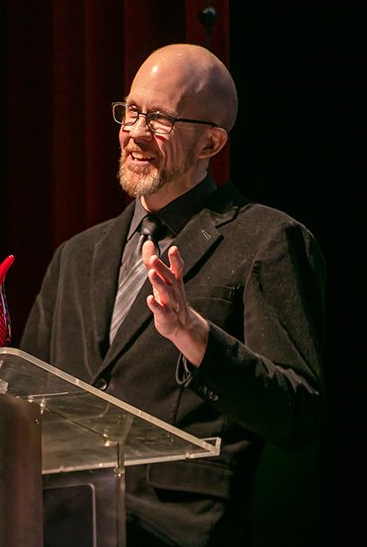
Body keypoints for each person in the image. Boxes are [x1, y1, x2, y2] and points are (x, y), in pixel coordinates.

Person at [21, 43, 325, 547]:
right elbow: (26, 393)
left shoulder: (267, 241)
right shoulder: (76, 255)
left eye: (160, 119)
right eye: (132, 111)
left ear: (210, 144)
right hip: (59, 522)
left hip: (176, 531)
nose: (135, 132)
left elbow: (296, 414)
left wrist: (195, 335)